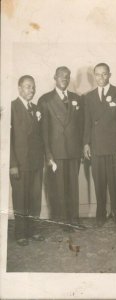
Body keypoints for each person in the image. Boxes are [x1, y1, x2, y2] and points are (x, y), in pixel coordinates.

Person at [38, 66, 84, 232]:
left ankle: (74, 219)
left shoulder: (76, 98)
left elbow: (80, 126)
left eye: (67, 76)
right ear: (54, 77)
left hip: (73, 150)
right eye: (61, 76)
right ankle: (64, 220)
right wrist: (48, 154)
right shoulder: (45, 100)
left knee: (73, 186)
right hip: (56, 152)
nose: (64, 78)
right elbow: (43, 131)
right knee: (59, 187)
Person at [84, 63, 116, 228]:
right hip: (96, 146)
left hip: (115, 147)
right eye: (98, 74)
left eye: (104, 74)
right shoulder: (89, 97)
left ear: (109, 75)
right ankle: (100, 214)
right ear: (94, 76)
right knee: (99, 182)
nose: (101, 78)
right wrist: (86, 144)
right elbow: (87, 122)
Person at [10, 75, 44, 246]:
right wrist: (13, 164)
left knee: (35, 199)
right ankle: (21, 233)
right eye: (27, 86)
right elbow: (7, 139)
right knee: (21, 200)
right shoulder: (12, 108)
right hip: (20, 165)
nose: (31, 90)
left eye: (33, 87)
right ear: (19, 88)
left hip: (36, 163)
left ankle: (34, 230)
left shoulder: (36, 108)